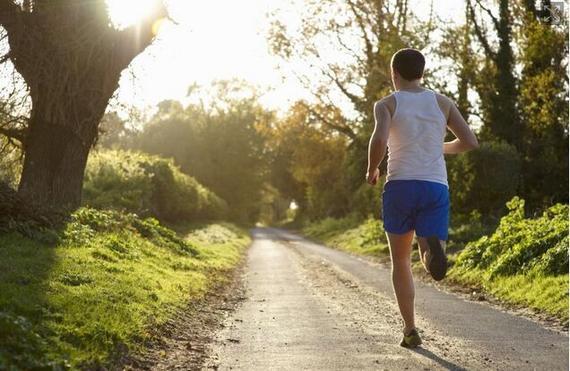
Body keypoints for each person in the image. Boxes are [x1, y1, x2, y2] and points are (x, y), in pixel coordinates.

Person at [365, 48, 479, 348]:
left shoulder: (387, 104)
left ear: (394, 74)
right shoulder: (442, 103)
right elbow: (469, 142)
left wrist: (373, 169)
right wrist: (437, 147)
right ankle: (432, 255)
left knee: (401, 261)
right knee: (428, 251)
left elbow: (379, 139)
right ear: (422, 72)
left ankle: (410, 329)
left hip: (401, 185)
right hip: (434, 186)